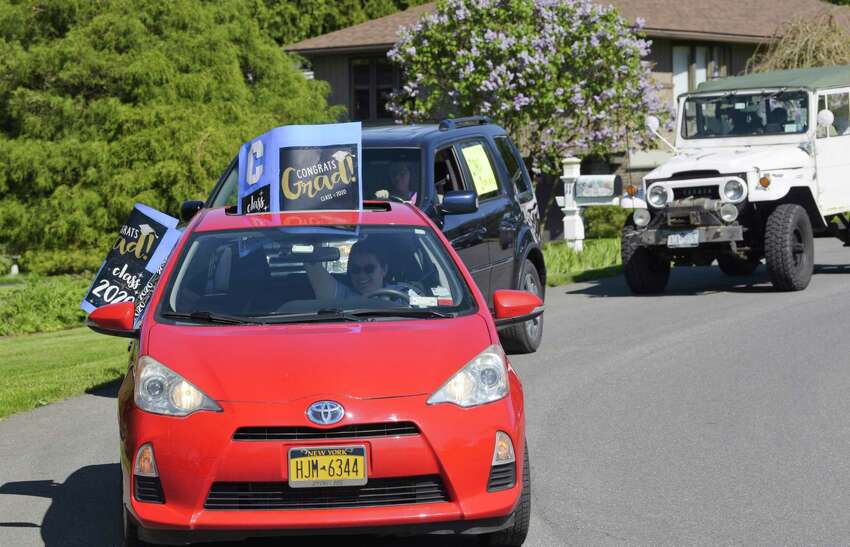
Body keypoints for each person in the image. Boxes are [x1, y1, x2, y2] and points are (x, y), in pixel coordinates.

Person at [305, 238, 408, 300]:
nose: (362, 275)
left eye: (369, 269)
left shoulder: (404, 293)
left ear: (384, 270)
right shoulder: (343, 296)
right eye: (355, 269)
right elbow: (312, 263)